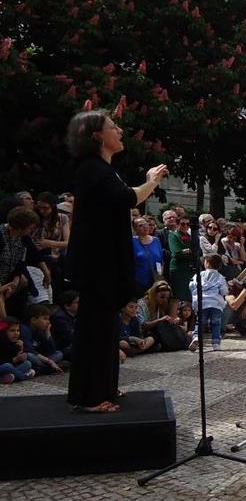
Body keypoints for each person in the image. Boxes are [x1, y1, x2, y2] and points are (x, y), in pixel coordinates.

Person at [64, 109, 168, 413]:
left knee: (107, 329)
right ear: (97, 135)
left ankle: (105, 387)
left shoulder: (104, 169)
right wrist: (151, 181)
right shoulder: (93, 169)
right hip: (97, 265)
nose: (120, 131)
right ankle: (91, 396)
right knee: (95, 330)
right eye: (114, 127)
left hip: (105, 263)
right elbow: (128, 198)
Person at [0, 206, 48, 319]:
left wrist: (16, 280)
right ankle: (5, 323)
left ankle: (18, 317)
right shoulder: (1, 236)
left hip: (9, 274)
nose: (31, 231)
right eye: (30, 228)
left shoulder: (23, 238)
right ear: (20, 227)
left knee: (23, 281)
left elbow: (22, 261)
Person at [188, 253, 228, 353]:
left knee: (200, 322)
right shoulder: (220, 277)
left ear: (208, 264)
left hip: (202, 303)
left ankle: (197, 337)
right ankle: (216, 343)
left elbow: (192, 285)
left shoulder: (199, 274)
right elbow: (224, 291)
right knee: (216, 323)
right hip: (216, 304)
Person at [131, 217, 164, 297]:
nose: (145, 227)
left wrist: (159, 275)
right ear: (135, 229)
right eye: (140, 225)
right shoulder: (132, 241)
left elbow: (161, 260)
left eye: (146, 224)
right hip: (138, 282)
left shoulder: (156, 240)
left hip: (155, 281)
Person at [0, 317, 33, 383]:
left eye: (18, 330)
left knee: (28, 363)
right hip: (3, 366)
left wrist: (21, 348)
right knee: (7, 366)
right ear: (4, 332)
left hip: (9, 370)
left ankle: (5, 377)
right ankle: (23, 377)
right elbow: (2, 361)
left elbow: (18, 362)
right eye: (12, 330)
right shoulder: (1, 342)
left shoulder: (16, 343)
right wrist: (16, 359)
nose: (16, 333)